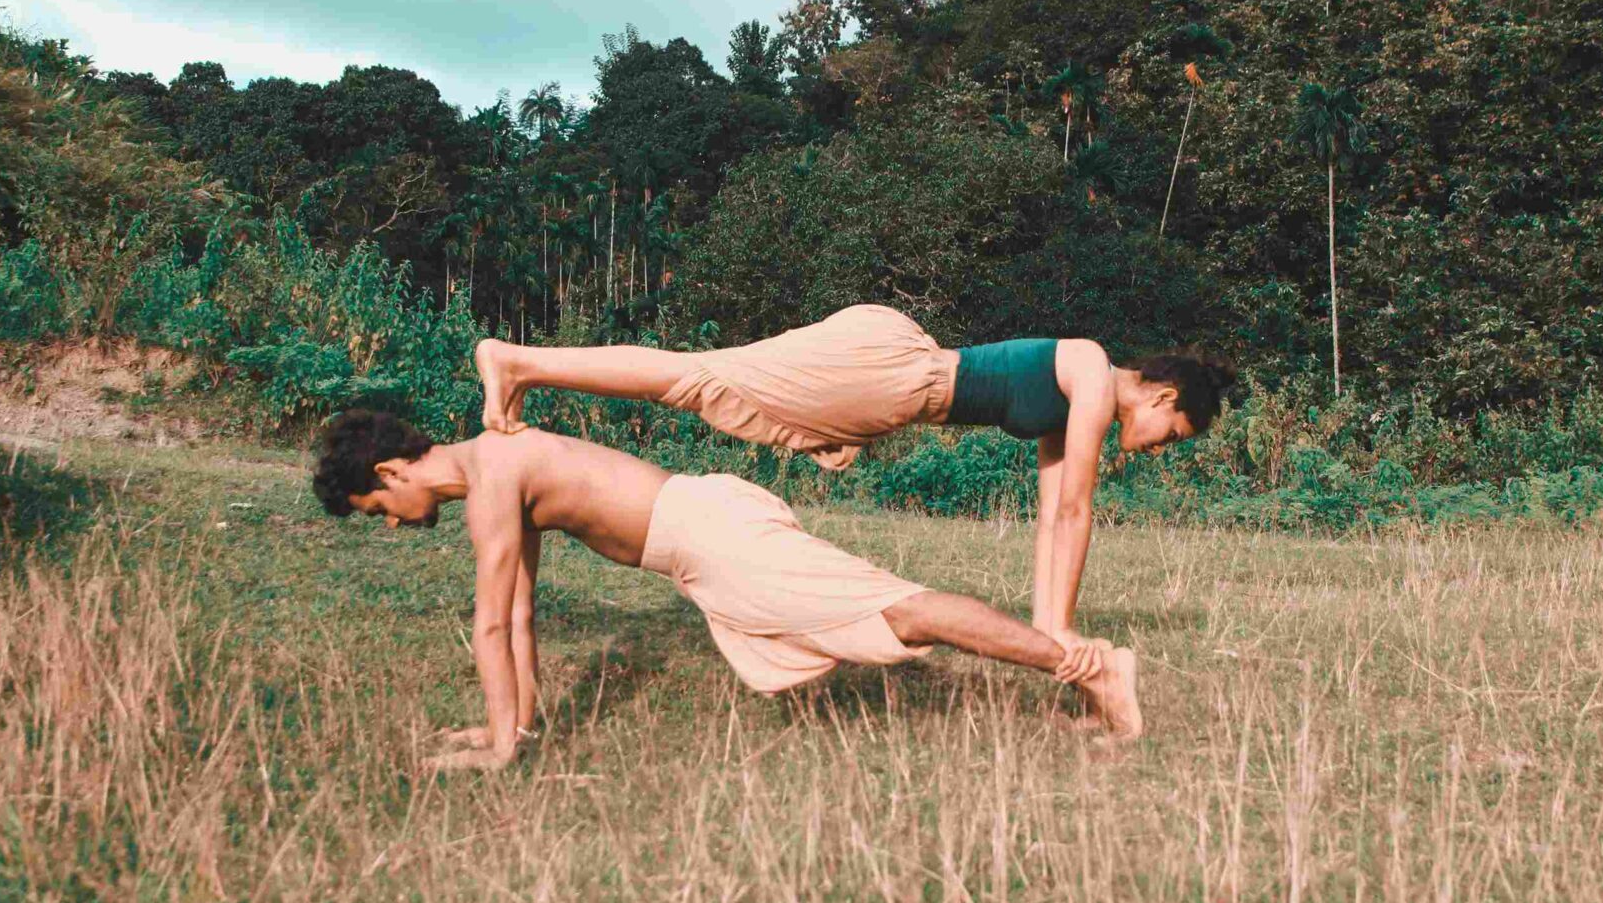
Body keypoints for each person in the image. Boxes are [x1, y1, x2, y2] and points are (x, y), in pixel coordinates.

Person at [312, 408, 1141, 770]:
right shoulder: (494, 470)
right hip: (702, 542)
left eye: (377, 507)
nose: (390, 521)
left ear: (389, 472)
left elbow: (492, 629)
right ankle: (1085, 667)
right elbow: (520, 617)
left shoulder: (491, 477)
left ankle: (1090, 666)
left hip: (709, 537)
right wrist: (513, 728)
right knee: (896, 614)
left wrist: (496, 750)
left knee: (904, 611)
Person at [472, 307, 1232, 638]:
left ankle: (524, 365)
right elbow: (1075, 515)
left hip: (890, 386)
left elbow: (1053, 521)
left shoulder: (1074, 404)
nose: (1165, 444)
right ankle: (518, 362)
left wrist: (1048, 628)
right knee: (695, 378)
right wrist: (1060, 633)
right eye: (1176, 430)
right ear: (1162, 395)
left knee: (710, 381)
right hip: (895, 375)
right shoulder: (1094, 376)